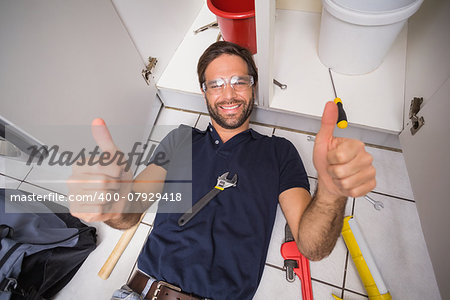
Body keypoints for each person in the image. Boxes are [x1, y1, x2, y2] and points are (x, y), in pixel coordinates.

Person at [68, 41, 376, 300]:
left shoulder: (279, 152)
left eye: (239, 81)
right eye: (215, 84)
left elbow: (313, 246)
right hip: (143, 292)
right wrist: (113, 205)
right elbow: (130, 213)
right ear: (204, 92)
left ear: (253, 87)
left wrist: (331, 192)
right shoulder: (179, 140)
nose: (228, 94)